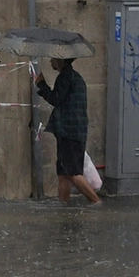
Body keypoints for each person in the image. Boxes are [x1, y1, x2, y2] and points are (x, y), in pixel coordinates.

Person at [36, 56, 102, 206]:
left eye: (53, 59)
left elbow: (55, 99)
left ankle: (96, 201)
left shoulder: (65, 77)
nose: (50, 61)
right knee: (63, 173)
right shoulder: (76, 78)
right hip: (72, 131)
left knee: (73, 173)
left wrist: (42, 84)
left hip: (69, 132)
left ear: (61, 61)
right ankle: (63, 206)